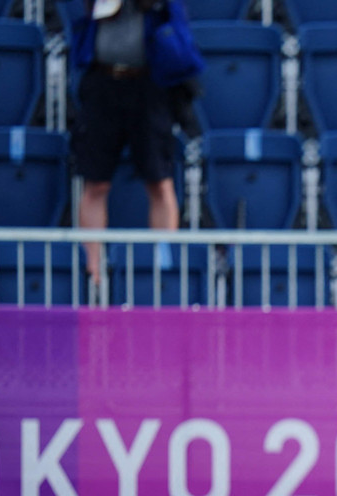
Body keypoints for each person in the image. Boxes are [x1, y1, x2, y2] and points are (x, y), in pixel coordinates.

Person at [70, 0, 196, 286]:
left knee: (159, 181)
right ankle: (93, 273)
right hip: (103, 81)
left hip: (148, 83)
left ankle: (163, 272)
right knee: (95, 183)